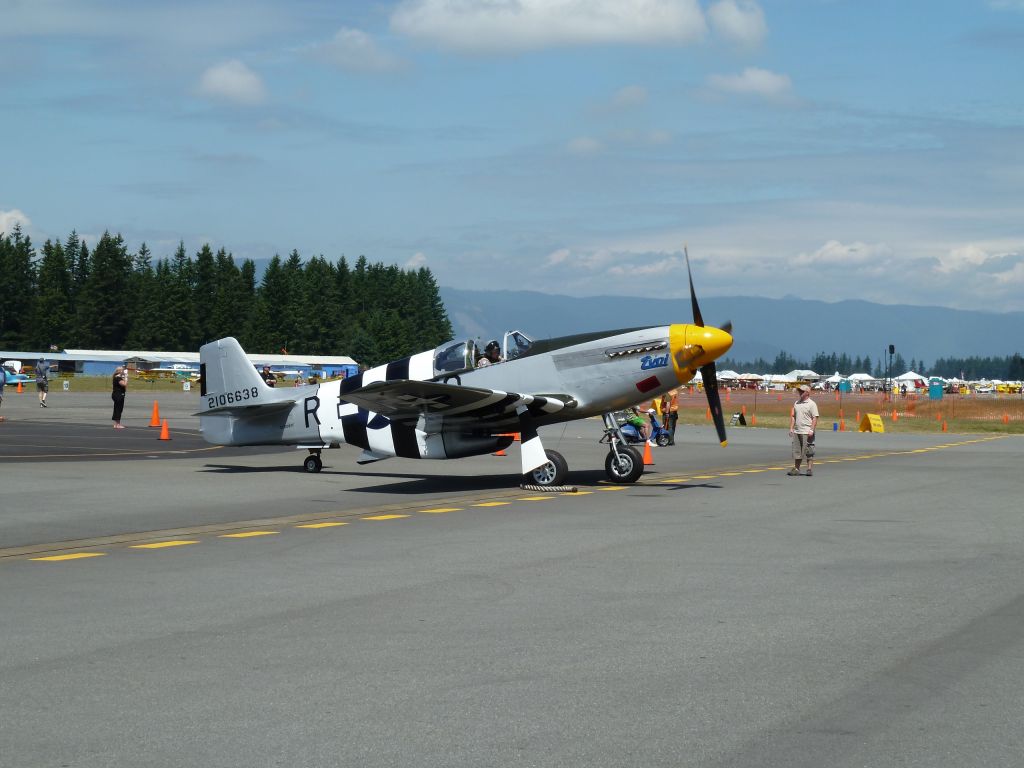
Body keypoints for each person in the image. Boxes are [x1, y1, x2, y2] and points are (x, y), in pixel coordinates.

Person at [788, 383, 819, 476]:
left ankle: (809, 469)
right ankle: (796, 469)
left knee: (809, 451)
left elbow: (815, 418)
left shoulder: (812, 404)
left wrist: (811, 430)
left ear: (807, 393)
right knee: (797, 451)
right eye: (799, 391)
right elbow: (793, 416)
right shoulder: (796, 403)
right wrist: (791, 428)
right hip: (797, 431)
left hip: (807, 431)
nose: (800, 392)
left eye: (802, 391)